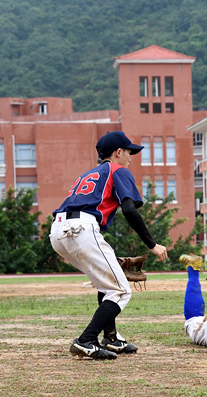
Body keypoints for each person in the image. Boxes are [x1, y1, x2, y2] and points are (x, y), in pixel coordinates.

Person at [50, 131, 168, 360]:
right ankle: (86, 340)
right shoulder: (118, 170)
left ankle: (111, 338)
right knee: (121, 290)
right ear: (118, 152)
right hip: (81, 228)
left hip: (58, 231)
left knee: (106, 283)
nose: (131, 157)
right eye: (129, 152)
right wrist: (152, 245)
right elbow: (129, 209)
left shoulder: (88, 174)